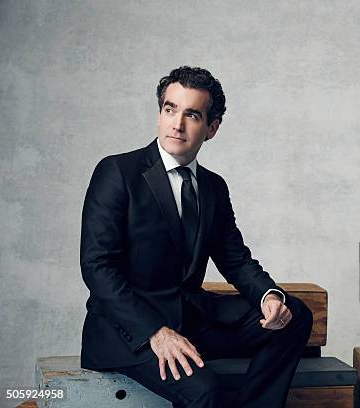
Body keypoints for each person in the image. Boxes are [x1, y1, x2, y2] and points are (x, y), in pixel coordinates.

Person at [79, 66, 313, 408]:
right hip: (129, 332)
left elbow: (235, 258)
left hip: (191, 318)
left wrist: (268, 296)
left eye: (191, 114)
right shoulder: (117, 172)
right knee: (206, 389)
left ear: (211, 128)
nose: (177, 123)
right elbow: (97, 267)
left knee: (295, 315)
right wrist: (155, 332)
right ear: (160, 114)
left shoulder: (213, 187)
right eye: (170, 109)